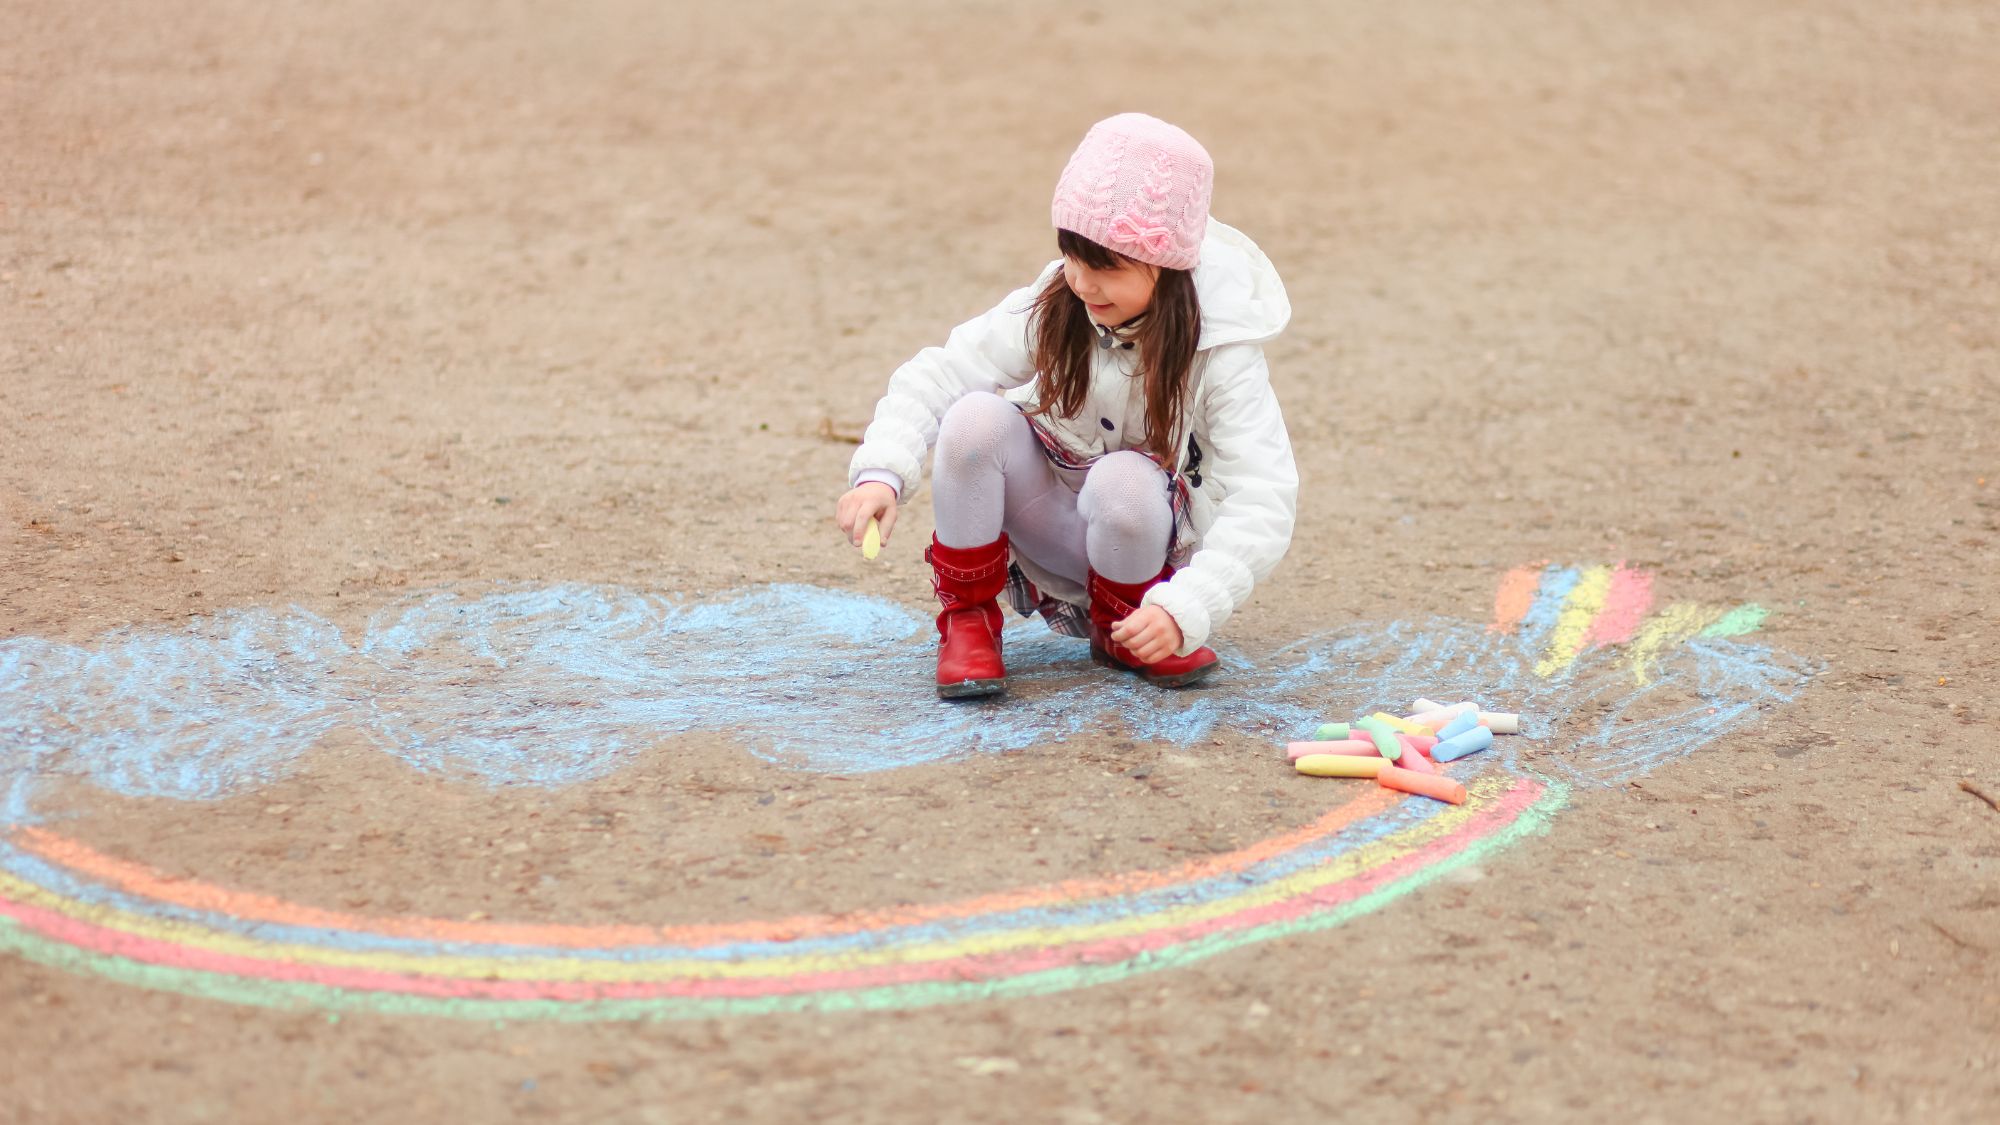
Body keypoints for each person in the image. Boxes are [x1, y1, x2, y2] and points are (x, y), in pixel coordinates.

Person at [835, 112, 1297, 699]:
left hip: (1142, 550)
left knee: (1125, 479)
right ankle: (968, 619)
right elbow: (943, 370)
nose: (1081, 283)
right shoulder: (1060, 300)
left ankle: (1123, 627)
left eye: (1104, 267)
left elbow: (1265, 493)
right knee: (974, 419)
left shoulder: (1222, 353)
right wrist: (882, 471)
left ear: (1169, 265)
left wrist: (1187, 605)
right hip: (1045, 519)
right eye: (1071, 256)